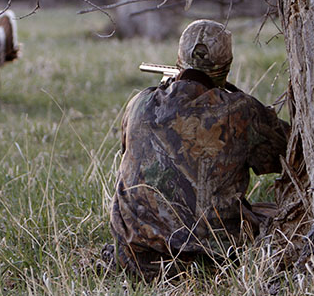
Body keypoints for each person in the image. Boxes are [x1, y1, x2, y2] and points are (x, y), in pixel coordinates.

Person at [109, 19, 289, 280]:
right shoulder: (241, 110)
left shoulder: (139, 103)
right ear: (226, 66)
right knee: (277, 214)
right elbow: (286, 151)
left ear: (179, 58)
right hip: (212, 258)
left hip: (135, 257)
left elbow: (131, 148)